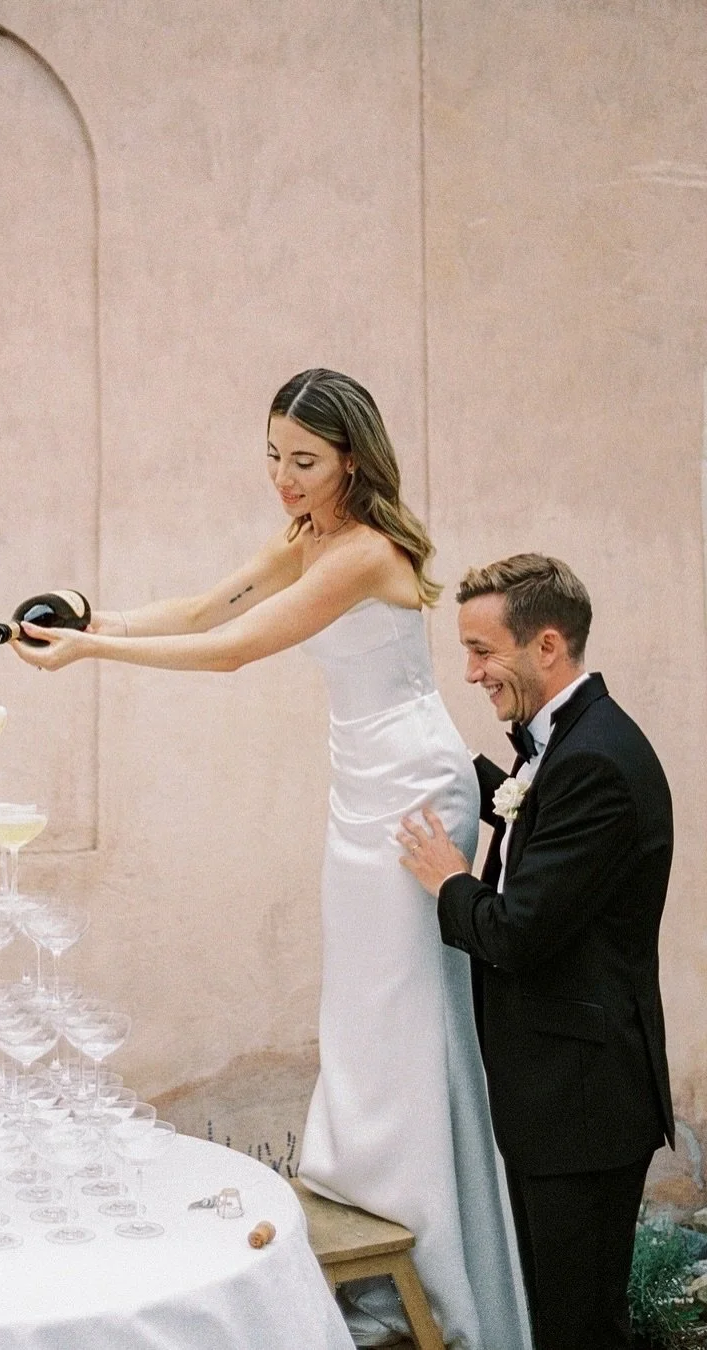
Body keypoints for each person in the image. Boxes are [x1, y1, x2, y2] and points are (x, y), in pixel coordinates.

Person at [7, 369, 529, 1349]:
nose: (284, 479)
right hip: (360, 793)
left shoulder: (364, 553)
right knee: (364, 1013)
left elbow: (233, 653)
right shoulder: (309, 539)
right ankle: (379, 1249)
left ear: (351, 459)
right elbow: (209, 610)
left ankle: (439, 1278)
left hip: (412, 799)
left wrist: (90, 662)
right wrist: (89, 621)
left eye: (305, 461)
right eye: (274, 457)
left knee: (405, 1016)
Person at [399, 553, 674, 1350]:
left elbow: (517, 932)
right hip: (555, 1100)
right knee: (557, 1316)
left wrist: (450, 881)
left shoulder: (596, 761)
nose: (473, 672)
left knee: (578, 1326)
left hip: (584, 1106)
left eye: (483, 651)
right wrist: (455, 777)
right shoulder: (563, 741)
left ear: (546, 647)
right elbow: (534, 821)